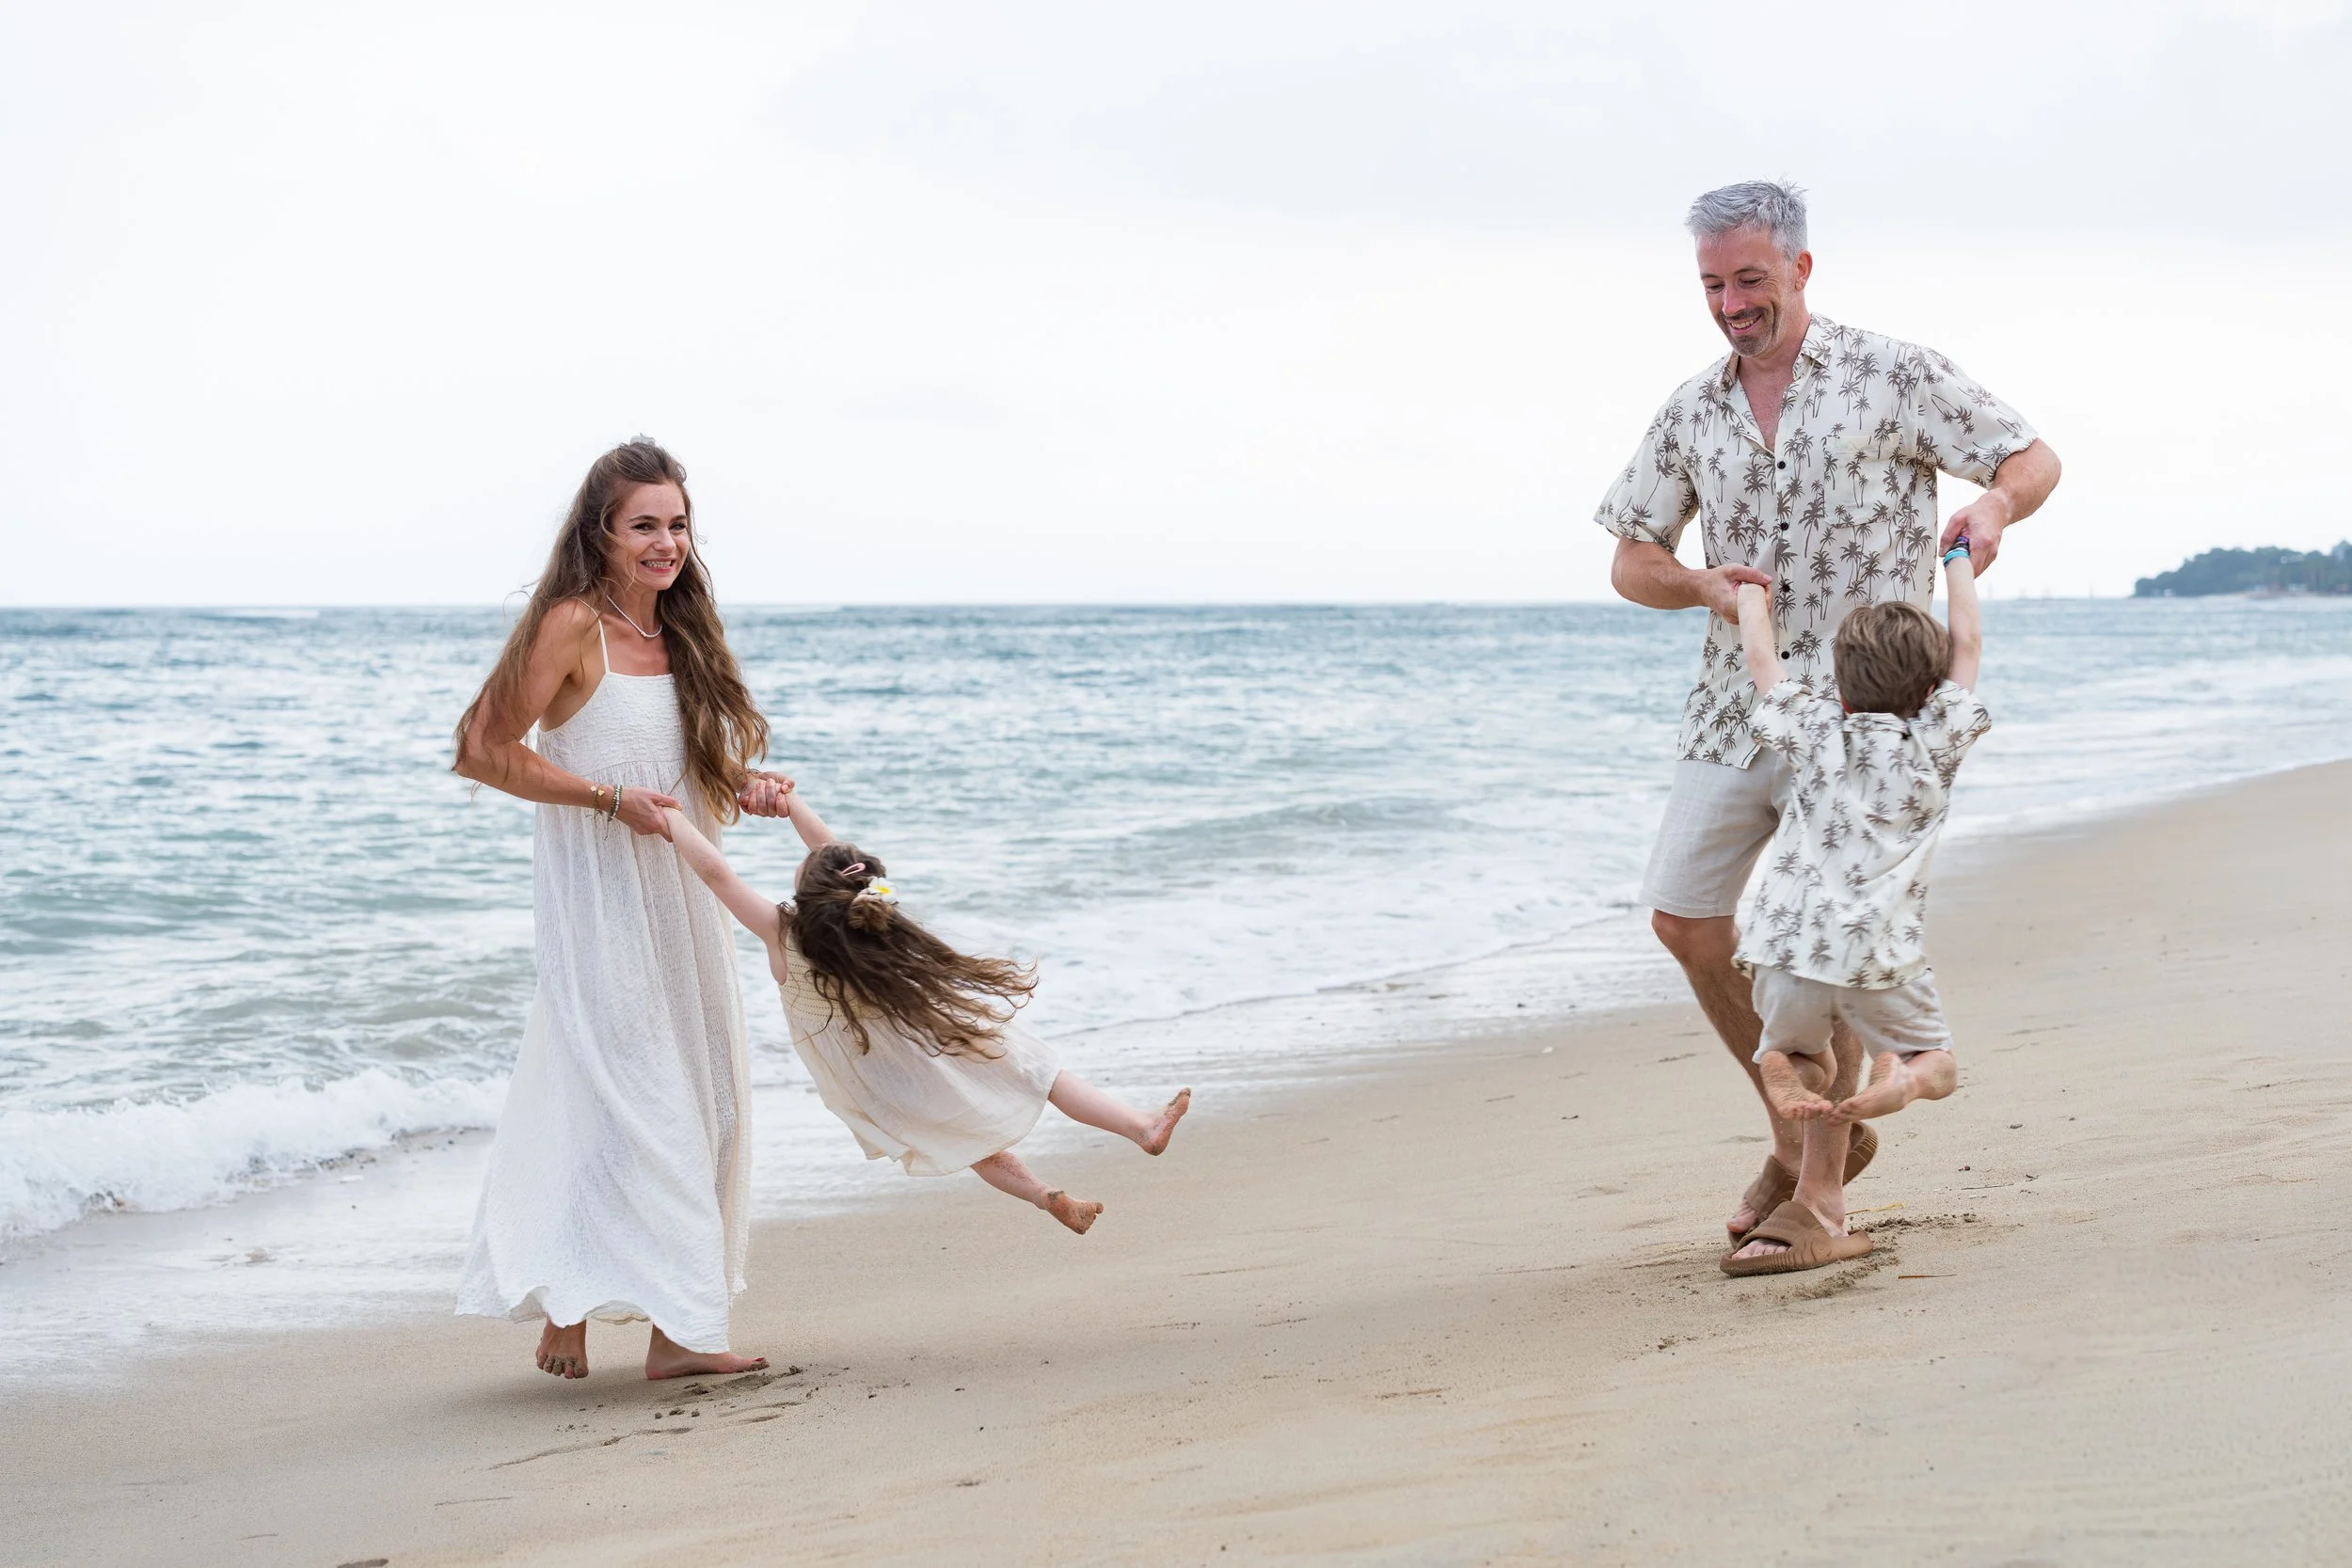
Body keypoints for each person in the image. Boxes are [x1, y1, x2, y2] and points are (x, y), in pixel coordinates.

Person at [1594, 181, 2059, 1270]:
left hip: (1867, 708)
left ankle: (1815, 1202)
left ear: (1802, 269)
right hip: (1736, 698)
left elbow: (2028, 456)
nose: (1729, 303)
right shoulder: (1691, 408)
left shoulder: (1892, 373)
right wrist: (1704, 586)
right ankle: (1806, 1135)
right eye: (1712, 284)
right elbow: (1629, 557)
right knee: (1685, 917)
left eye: (1749, 279)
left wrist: (1992, 506)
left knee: (1831, 927)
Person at [451, 438, 794, 1380]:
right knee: (635, 1100)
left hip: (684, 898)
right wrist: (607, 802)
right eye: (644, 524)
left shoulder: (679, 632)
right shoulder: (572, 625)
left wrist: (742, 786)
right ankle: (597, 1306)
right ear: (599, 533)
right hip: (601, 900)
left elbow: (679, 774)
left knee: (709, 1098)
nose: (665, 541)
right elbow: (482, 748)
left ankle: (665, 1331)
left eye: (677, 523)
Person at [660, 785, 1190, 1234]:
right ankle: (1139, 1127)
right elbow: (835, 852)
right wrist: (791, 802)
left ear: (809, 894)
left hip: (878, 1071)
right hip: (933, 1030)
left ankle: (1045, 1195)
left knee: (971, 1144)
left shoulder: (785, 932)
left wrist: (672, 819)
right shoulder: (878, 909)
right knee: (1042, 1072)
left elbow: (718, 875)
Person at [1716, 542, 1986, 1275]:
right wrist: (1957, 558)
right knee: (1938, 1060)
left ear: (1838, 691)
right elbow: (1967, 641)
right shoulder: (1937, 737)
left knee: (1805, 1051)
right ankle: (1901, 1076)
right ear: (1930, 693)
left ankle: (1778, 1061)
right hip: (1876, 955)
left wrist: (1750, 595)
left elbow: (1762, 665)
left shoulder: (1813, 730)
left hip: (1783, 945)